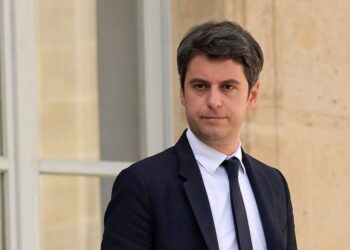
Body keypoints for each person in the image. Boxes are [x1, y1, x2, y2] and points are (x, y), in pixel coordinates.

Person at [101, 21, 297, 250]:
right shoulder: (141, 185)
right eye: (200, 86)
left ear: (252, 96)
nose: (214, 101)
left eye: (228, 87)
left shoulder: (274, 184)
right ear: (183, 92)